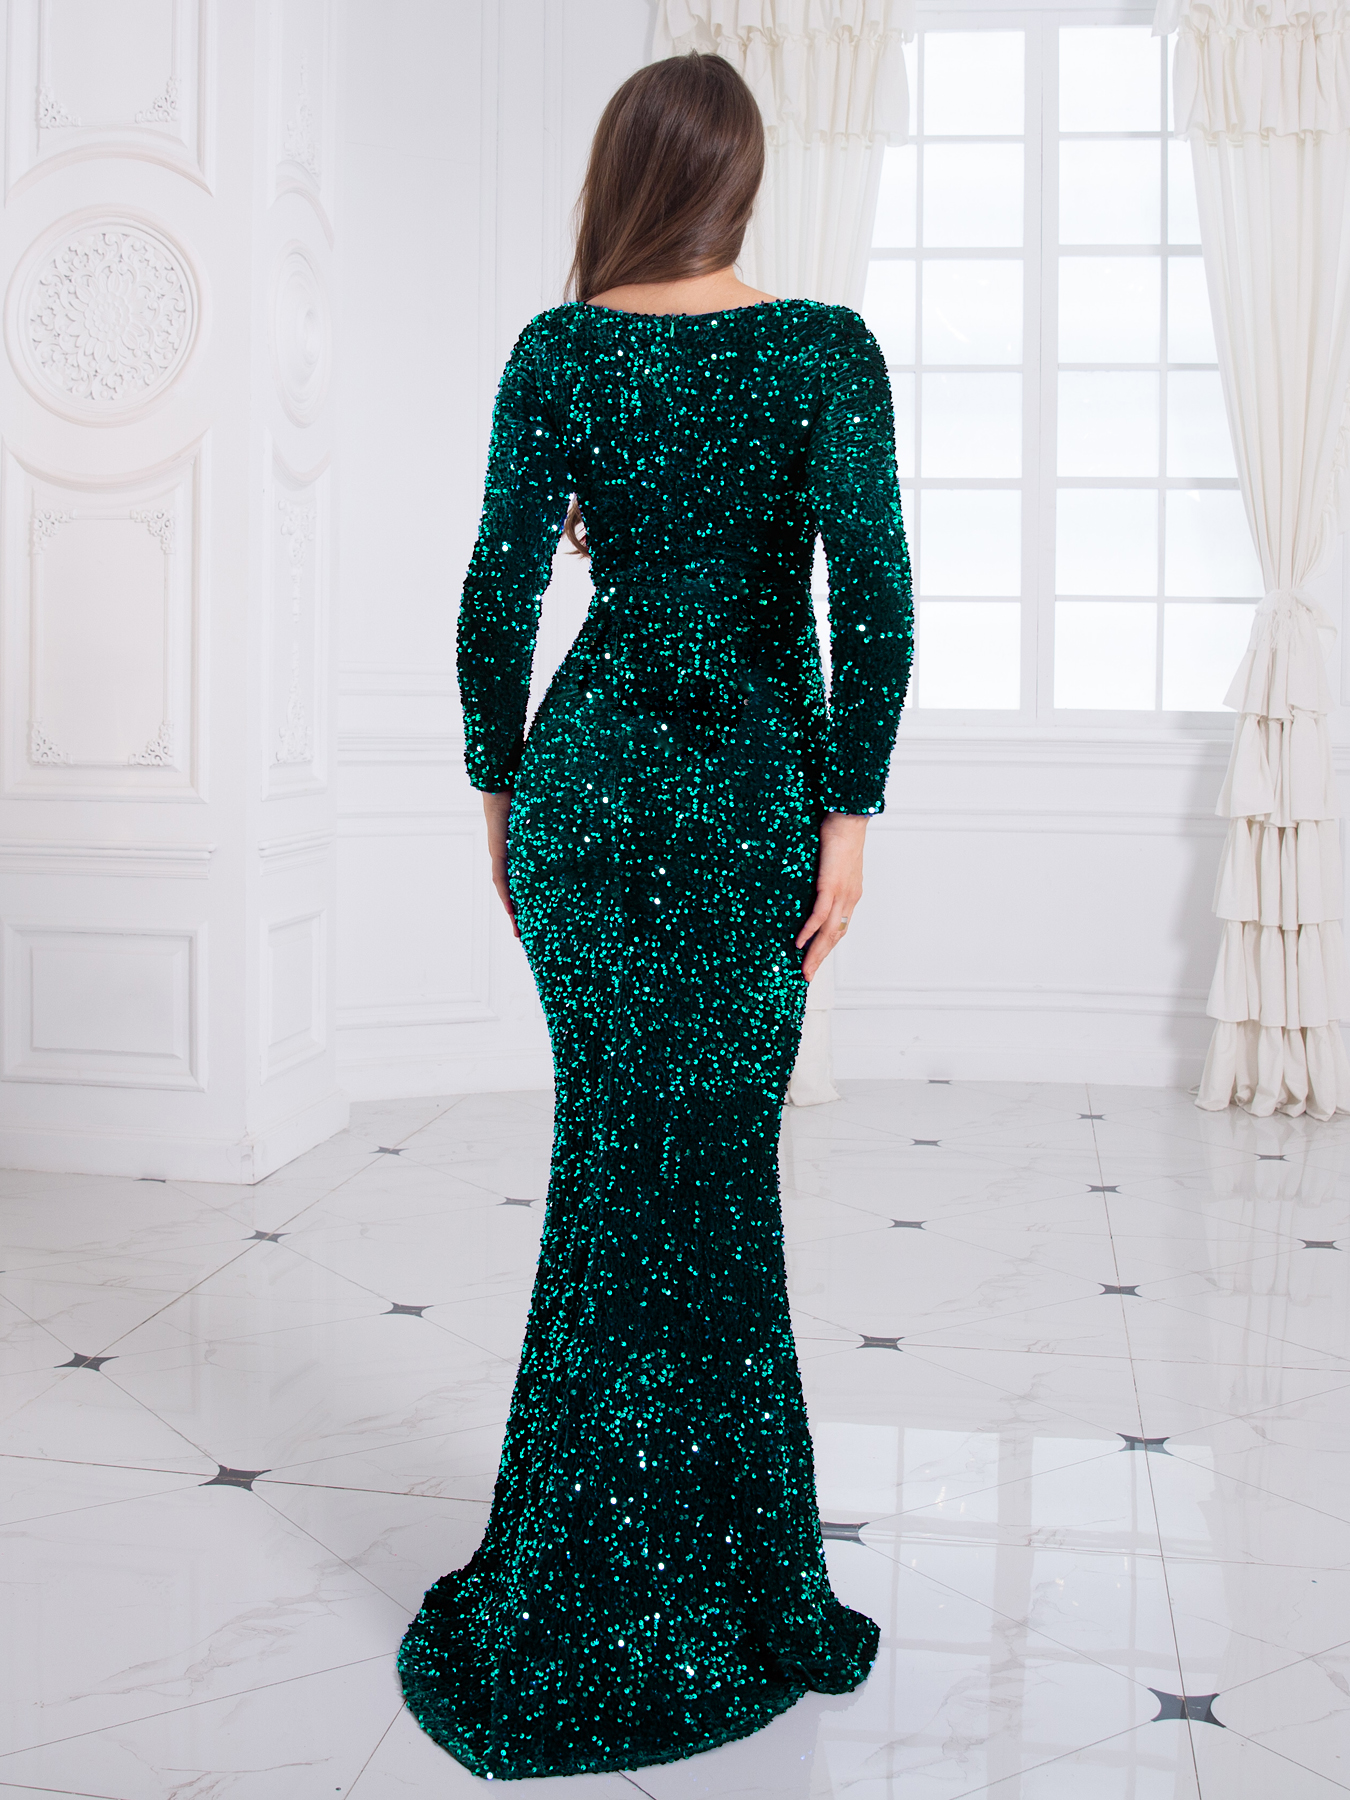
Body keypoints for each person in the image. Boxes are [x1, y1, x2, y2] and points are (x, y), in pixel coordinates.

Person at [398, 50, 913, 1783]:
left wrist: (501, 797)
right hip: (753, 804)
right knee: (708, 1189)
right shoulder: (823, 348)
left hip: (588, 797)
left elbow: (495, 595)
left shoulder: (558, 350)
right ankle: (725, 1582)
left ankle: (588, 1566)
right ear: (742, 182)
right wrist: (848, 820)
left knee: (617, 1175)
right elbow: (878, 605)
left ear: (622, 176)